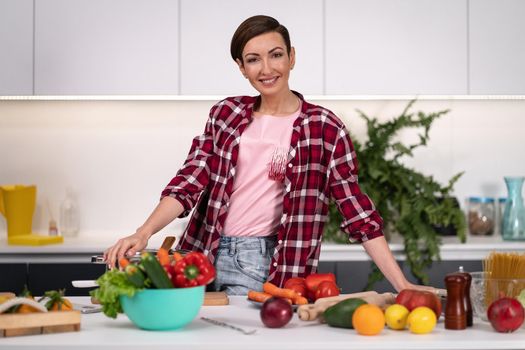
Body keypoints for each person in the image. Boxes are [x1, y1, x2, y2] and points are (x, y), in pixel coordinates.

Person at [104, 15, 432, 295]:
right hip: (199, 253)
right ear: (241, 67)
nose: (266, 68)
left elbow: (356, 212)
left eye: (275, 55)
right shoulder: (226, 114)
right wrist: (143, 233)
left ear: (292, 57)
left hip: (262, 263)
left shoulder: (324, 128)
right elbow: (189, 182)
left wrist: (402, 284)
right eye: (253, 59)